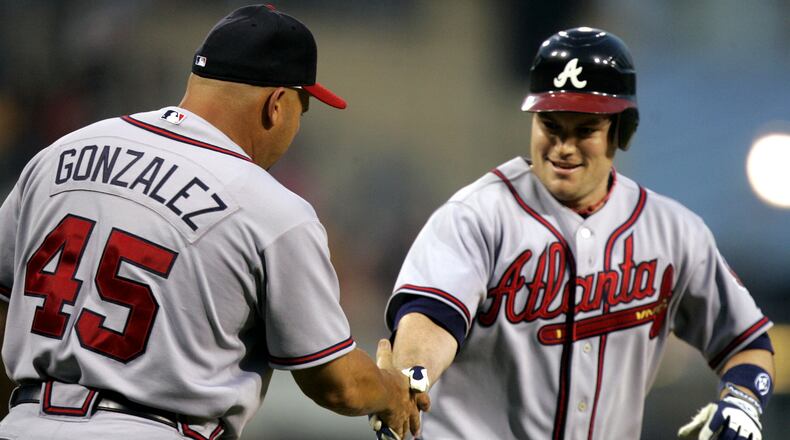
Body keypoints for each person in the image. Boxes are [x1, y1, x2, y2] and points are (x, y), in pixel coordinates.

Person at [0, 5, 427, 440]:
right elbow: (338, 384)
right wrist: (393, 391)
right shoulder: (272, 208)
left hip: (23, 423)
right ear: (276, 105)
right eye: (303, 110)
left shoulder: (59, 155)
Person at [378, 27, 775, 440]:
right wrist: (413, 376)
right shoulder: (477, 215)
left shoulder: (673, 233)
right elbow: (430, 318)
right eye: (550, 125)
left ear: (621, 131)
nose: (563, 146)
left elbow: (747, 342)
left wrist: (743, 401)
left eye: (584, 130)